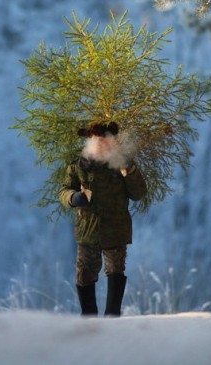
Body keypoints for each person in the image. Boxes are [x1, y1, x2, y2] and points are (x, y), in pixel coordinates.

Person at [59, 122, 147, 317]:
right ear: (90, 142)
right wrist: (73, 198)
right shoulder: (78, 166)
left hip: (116, 228)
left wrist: (129, 170)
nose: (102, 145)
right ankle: (88, 316)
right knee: (85, 274)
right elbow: (64, 190)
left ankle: (112, 314)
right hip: (88, 228)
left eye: (106, 141)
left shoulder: (123, 164)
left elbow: (139, 193)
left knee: (116, 269)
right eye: (98, 141)